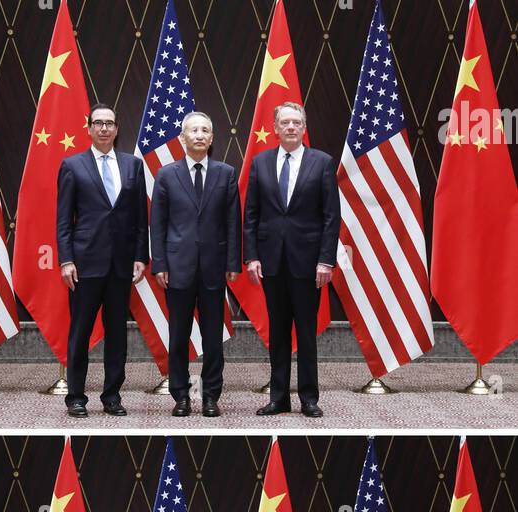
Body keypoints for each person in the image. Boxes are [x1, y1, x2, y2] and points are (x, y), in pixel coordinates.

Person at [243, 101, 340, 418]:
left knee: (307, 333)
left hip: (309, 264)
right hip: (271, 262)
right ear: (275, 128)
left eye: (296, 122)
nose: (290, 127)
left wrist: (326, 261)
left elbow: (330, 217)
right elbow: (252, 215)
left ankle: (309, 398)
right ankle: (279, 397)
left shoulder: (322, 163)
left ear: (304, 127)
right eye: (284, 122)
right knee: (278, 333)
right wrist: (252, 257)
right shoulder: (260, 163)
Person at [56, 103, 148, 419]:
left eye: (109, 123)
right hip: (84, 265)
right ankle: (76, 397)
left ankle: (112, 396)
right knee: (80, 333)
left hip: (121, 265)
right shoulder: (72, 165)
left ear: (117, 128)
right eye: (98, 123)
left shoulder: (133, 166)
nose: (104, 128)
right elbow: (64, 220)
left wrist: (140, 256)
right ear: (89, 128)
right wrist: (66, 259)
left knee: (117, 334)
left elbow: (140, 219)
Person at [150, 111, 241, 417]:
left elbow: (233, 222)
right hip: (177, 269)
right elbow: (157, 224)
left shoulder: (226, 173)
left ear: (212, 139)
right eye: (194, 130)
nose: (200, 135)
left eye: (205, 130)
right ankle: (181, 395)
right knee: (178, 336)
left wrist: (233, 262)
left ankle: (211, 394)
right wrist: (159, 263)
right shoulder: (166, 174)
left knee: (214, 337)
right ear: (182, 138)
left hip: (215, 268)